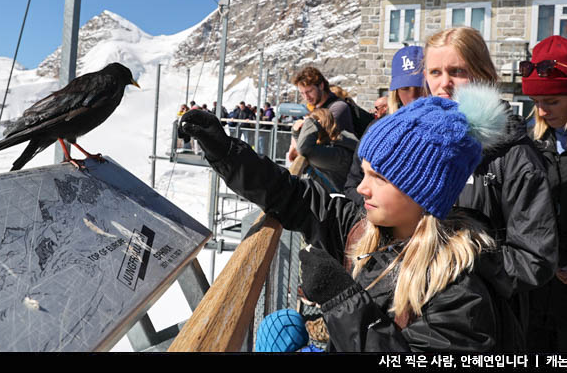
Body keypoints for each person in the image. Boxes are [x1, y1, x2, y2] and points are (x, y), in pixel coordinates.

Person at [178, 84, 510, 352]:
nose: (362, 188)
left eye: (379, 178)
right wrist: (226, 152)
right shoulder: (365, 230)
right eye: (364, 173)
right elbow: (292, 195)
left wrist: (341, 299)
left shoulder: (458, 291)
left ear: (423, 191)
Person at [423, 26, 557, 342]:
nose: (444, 84)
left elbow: (534, 260)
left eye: (457, 71)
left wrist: (464, 253)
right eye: (435, 72)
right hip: (418, 322)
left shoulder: (515, 156)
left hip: (486, 329)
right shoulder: (418, 144)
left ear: (484, 75)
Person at [520, 36, 567, 353]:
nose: (541, 111)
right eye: (536, 101)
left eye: (552, 102)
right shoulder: (526, 144)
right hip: (535, 298)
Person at [344, 47, 427, 205]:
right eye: (405, 88)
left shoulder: (448, 131)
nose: (414, 96)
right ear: (395, 91)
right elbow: (352, 186)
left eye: (420, 87)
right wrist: (378, 211)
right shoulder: (377, 130)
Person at [293, 108, 357, 192]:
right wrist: (297, 133)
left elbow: (305, 149)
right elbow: (303, 147)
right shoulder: (335, 144)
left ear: (318, 124)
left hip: (343, 201)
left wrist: (310, 121)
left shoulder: (335, 153)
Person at [387, 46, 425, 114]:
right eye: (404, 88)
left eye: (420, 88)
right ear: (396, 94)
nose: (413, 97)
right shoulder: (381, 124)